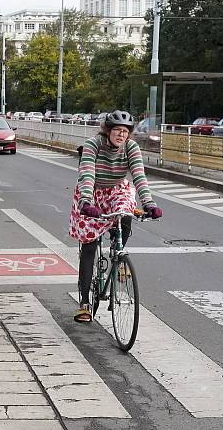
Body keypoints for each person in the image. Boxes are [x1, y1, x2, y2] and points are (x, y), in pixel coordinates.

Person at [69, 110, 162, 323]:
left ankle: (118, 256)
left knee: (126, 213)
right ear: (108, 131)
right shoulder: (94, 144)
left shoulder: (131, 148)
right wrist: (86, 201)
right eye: (117, 130)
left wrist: (149, 203)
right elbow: (86, 174)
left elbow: (139, 176)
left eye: (125, 131)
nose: (121, 135)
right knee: (90, 245)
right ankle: (84, 303)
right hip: (91, 192)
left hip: (116, 190)